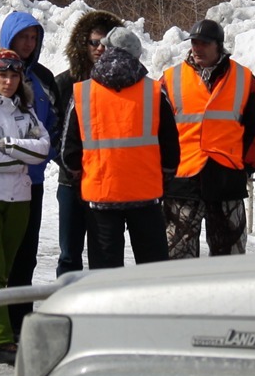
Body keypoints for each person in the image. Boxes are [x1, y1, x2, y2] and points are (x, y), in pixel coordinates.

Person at [58, 27, 178, 269]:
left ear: (107, 51)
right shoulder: (154, 91)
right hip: (146, 197)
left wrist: (82, 174)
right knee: (155, 273)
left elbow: (68, 154)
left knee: (105, 277)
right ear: (135, 56)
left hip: (102, 197)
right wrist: (162, 177)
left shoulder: (83, 92)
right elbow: (171, 148)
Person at [0, 11, 57, 325]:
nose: (29, 44)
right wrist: (24, 154)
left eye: (34, 38)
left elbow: (49, 132)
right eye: (22, 37)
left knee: (24, 258)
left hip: (31, 184)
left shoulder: (43, 79)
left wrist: (43, 156)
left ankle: (16, 321)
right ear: (9, 37)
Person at [163, 19, 255, 258]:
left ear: (219, 46)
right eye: (194, 42)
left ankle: (226, 297)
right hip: (183, 180)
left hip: (227, 180)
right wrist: (163, 169)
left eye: (204, 43)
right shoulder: (170, 79)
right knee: (177, 258)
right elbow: (157, 129)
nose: (197, 48)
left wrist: (248, 165)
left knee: (229, 259)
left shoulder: (244, 79)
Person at [51, 9, 123, 276]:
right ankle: (66, 311)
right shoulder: (64, 83)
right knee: (69, 255)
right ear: (83, 44)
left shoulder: (123, 84)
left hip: (107, 183)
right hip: (72, 181)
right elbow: (52, 130)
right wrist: (70, 164)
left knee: (104, 255)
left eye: (106, 42)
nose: (100, 48)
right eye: (94, 42)